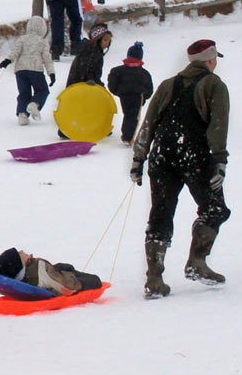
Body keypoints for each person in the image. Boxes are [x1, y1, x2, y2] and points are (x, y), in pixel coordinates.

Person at [130, 40, 230, 299]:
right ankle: (197, 262)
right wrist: (219, 160)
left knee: (160, 214)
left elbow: (149, 121)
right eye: (214, 58)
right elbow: (218, 125)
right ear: (209, 60)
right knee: (214, 208)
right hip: (193, 154)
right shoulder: (214, 85)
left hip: (162, 155)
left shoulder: (167, 85)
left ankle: (154, 278)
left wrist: (139, 159)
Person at [0, 16, 53, 125]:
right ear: (43, 29)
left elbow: (15, 52)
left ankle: (22, 115)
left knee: (24, 93)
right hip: (36, 70)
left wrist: (7, 60)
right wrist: (51, 73)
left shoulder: (22, 39)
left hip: (21, 71)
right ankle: (34, 104)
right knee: (42, 90)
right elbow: (47, 59)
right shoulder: (43, 42)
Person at [0, 248, 101, 297]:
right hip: (68, 280)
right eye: (22, 254)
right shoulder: (38, 272)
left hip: (52, 273)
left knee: (65, 267)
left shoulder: (29, 272)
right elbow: (67, 286)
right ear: (20, 265)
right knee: (94, 280)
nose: (26, 252)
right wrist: (92, 283)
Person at [106, 42, 154, 143]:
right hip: (138, 96)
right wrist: (144, 96)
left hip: (124, 96)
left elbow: (112, 84)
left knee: (128, 114)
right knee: (133, 116)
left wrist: (119, 91)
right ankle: (129, 137)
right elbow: (150, 88)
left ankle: (127, 135)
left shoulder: (118, 70)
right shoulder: (144, 73)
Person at [66, 22, 112, 86]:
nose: (107, 43)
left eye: (109, 41)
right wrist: (90, 79)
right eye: (105, 40)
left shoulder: (97, 51)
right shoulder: (91, 49)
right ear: (98, 39)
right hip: (80, 85)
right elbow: (86, 67)